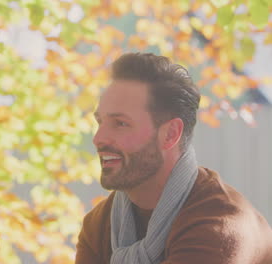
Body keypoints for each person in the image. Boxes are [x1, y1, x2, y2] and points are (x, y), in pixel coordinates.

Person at [75, 52, 272, 264]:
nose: (99, 138)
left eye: (120, 123)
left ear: (170, 134)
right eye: (100, 122)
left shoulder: (218, 226)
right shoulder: (99, 225)